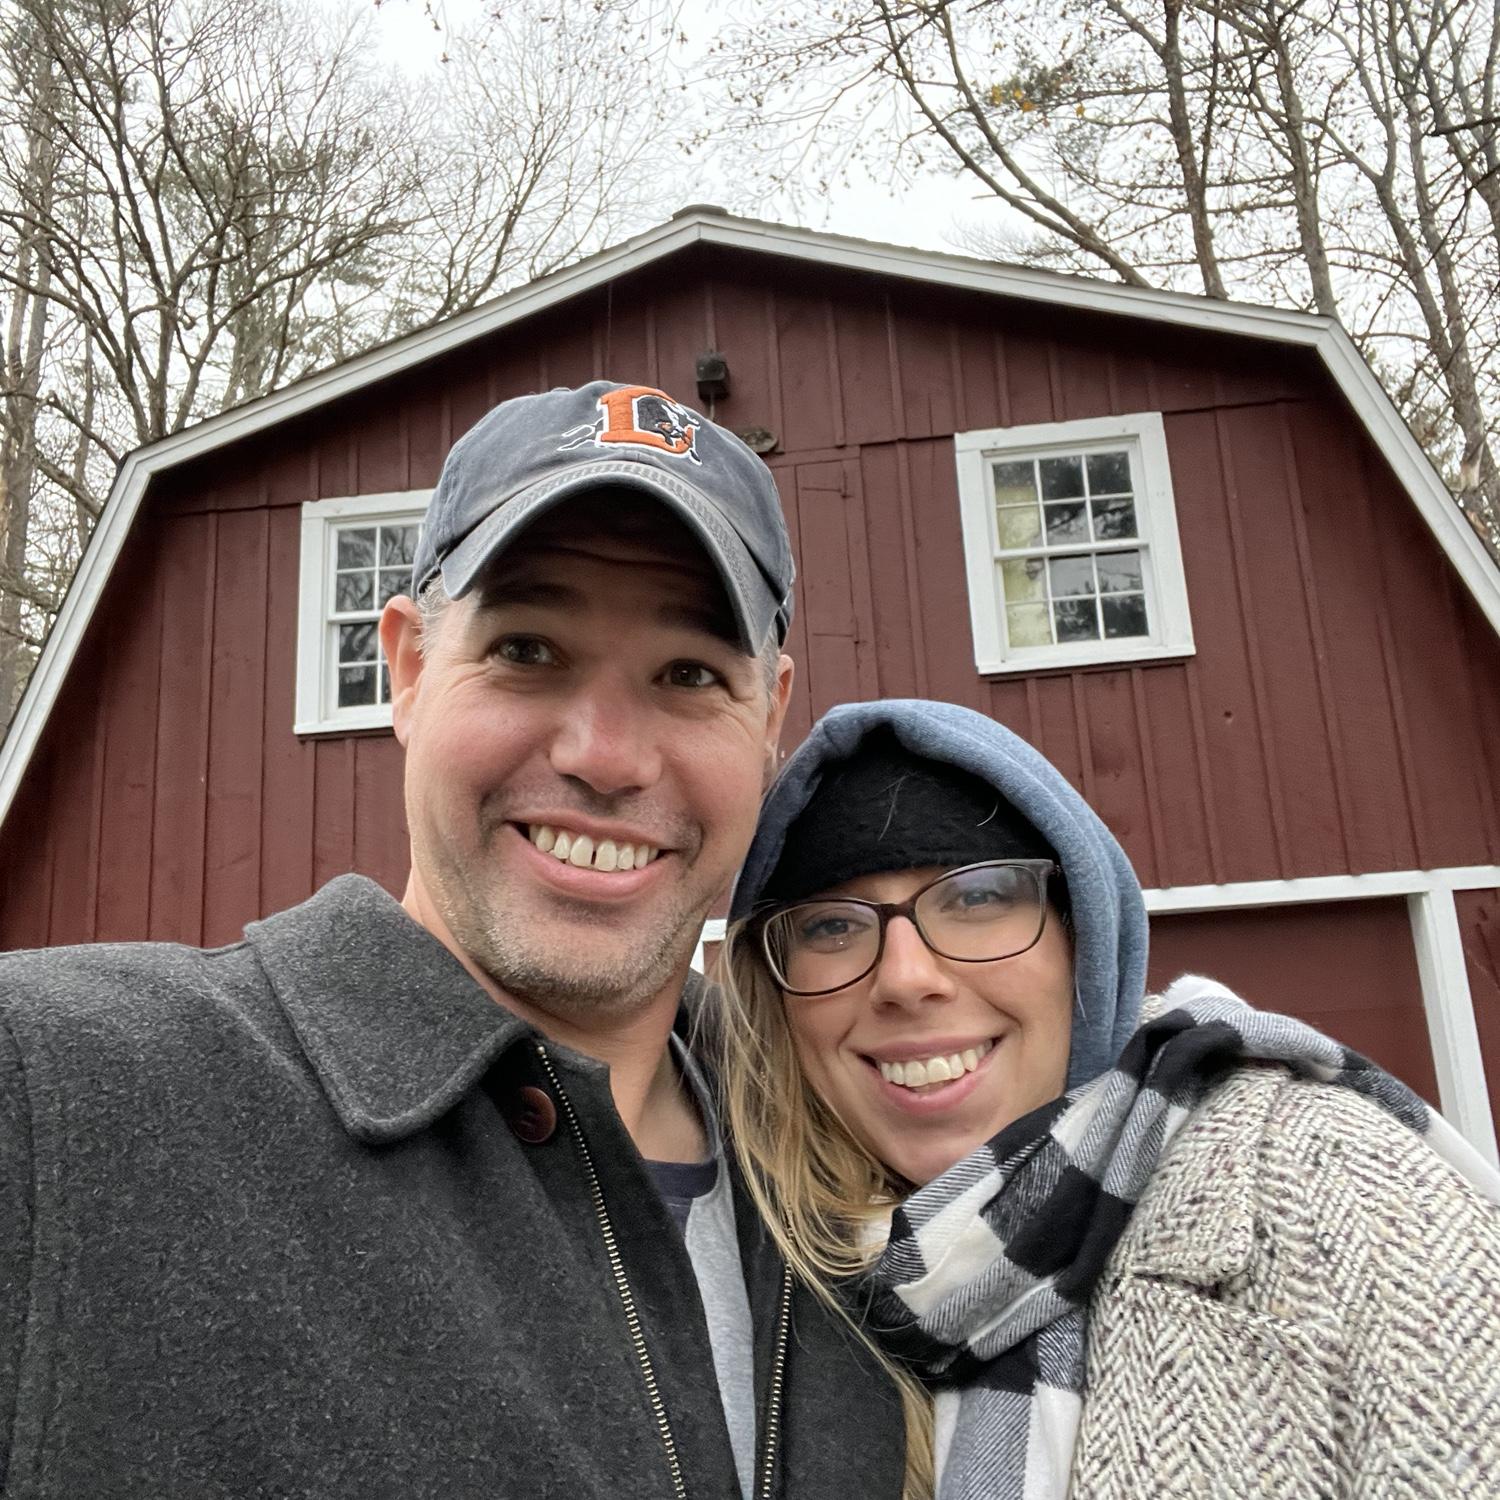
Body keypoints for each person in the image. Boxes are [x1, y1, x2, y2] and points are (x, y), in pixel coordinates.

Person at [0, 383, 906, 1498]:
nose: (606, 756)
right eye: (528, 648)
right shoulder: (55, 1092)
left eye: (690, 675)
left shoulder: (860, 1171)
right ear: (409, 669)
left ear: (769, 719)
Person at [712, 698, 1500, 1500]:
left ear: (1082, 939)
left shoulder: (1336, 1190)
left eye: (978, 897)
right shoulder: (747, 1272)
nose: (907, 979)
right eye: (831, 926)